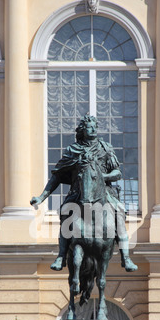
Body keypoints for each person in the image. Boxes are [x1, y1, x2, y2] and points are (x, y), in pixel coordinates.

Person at [30, 114, 137, 273]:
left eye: (95, 126)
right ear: (82, 130)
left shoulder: (105, 148)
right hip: (78, 192)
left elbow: (117, 173)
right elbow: (57, 176)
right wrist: (41, 197)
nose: (93, 129)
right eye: (89, 126)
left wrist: (103, 177)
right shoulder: (73, 150)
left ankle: (125, 257)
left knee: (119, 212)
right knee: (66, 213)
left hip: (104, 192)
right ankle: (61, 256)